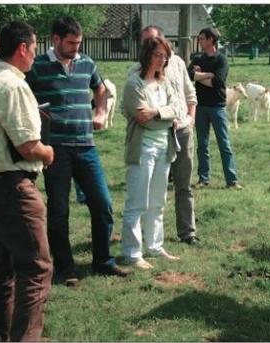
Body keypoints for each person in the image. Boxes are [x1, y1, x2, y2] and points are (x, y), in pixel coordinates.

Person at [0, 21, 54, 342]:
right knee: (36, 269)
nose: (35, 55)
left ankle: (3, 334)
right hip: (13, 186)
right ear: (23, 48)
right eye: (34, 48)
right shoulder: (13, 85)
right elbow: (27, 145)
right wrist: (47, 152)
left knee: (5, 266)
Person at [25, 16, 126, 286]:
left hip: (86, 146)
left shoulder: (87, 63)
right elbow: (23, 98)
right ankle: (65, 268)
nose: (76, 48)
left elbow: (100, 87)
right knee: (59, 210)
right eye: (71, 43)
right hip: (55, 149)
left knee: (102, 204)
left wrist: (102, 111)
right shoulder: (36, 67)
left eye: (79, 43)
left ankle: (103, 261)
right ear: (55, 39)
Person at [133, 25, 200, 246]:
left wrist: (189, 119)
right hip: (155, 136)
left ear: (163, 39)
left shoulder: (178, 63)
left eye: (153, 41)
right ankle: (148, 235)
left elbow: (191, 94)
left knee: (184, 184)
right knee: (151, 188)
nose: (151, 47)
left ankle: (187, 232)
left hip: (181, 131)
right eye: (146, 44)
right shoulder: (136, 73)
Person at [121, 36, 183, 269]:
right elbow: (141, 119)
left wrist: (157, 112)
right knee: (137, 202)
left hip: (164, 148)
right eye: (158, 55)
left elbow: (176, 109)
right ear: (147, 55)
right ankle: (132, 253)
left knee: (158, 201)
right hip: (143, 149)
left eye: (165, 56)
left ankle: (155, 247)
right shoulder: (133, 84)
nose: (162, 60)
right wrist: (166, 116)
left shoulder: (164, 83)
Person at [188, 27, 242, 190]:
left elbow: (218, 82)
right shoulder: (197, 58)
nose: (199, 41)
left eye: (202, 38)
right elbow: (188, 75)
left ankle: (232, 180)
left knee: (224, 144)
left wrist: (200, 76)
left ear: (211, 39)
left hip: (217, 107)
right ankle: (203, 179)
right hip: (201, 106)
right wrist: (207, 75)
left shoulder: (221, 60)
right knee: (202, 145)